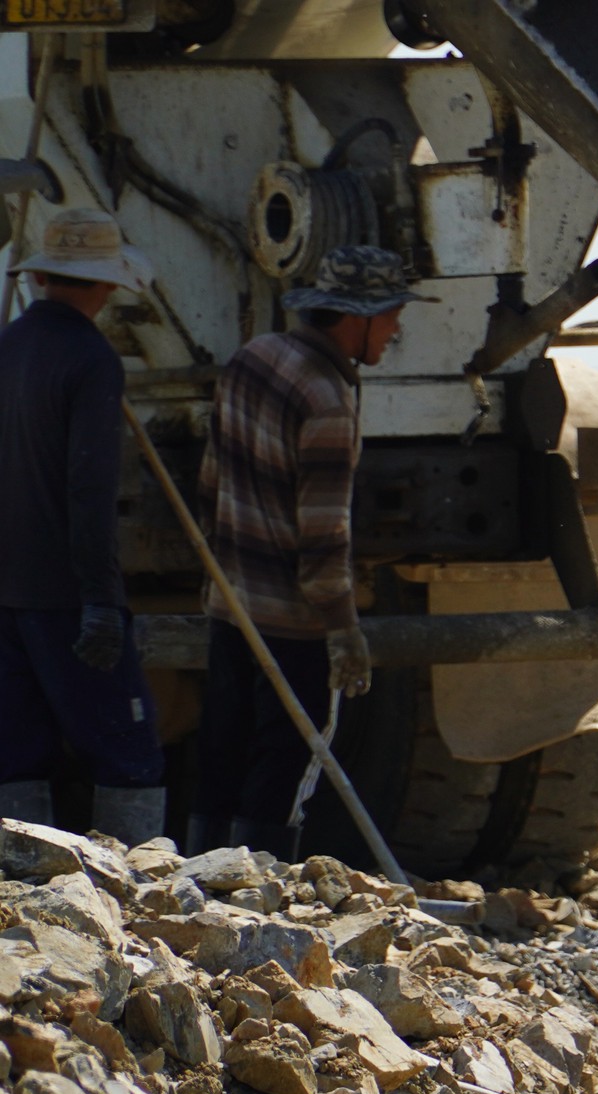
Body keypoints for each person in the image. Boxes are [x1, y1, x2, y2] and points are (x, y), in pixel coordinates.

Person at [188, 246, 431, 857]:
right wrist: (345, 632)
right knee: (288, 761)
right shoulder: (327, 399)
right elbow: (323, 539)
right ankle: (258, 895)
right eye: (394, 315)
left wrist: (219, 578)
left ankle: (195, 890)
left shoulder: (251, 360)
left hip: (232, 608)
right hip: (293, 625)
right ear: (360, 317)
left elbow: (210, 487)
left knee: (221, 748)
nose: (397, 330)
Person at [0, 211, 167, 844]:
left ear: (41, 274)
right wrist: (100, 599)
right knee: (130, 754)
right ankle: (135, 896)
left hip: (7, 593)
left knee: (17, 754)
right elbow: (89, 489)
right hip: (66, 594)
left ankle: (25, 891)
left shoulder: (7, 345)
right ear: (104, 286)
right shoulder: (91, 358)